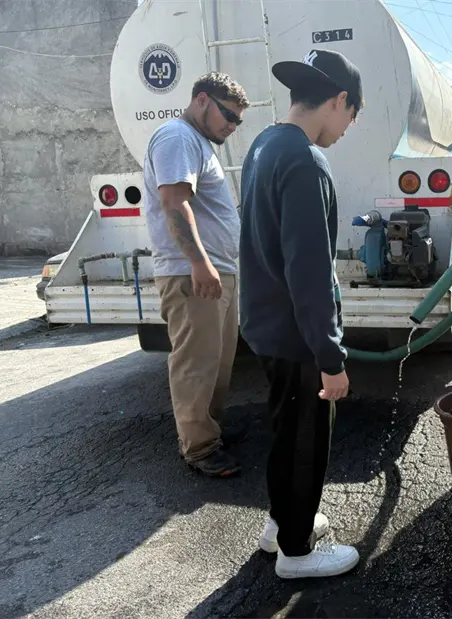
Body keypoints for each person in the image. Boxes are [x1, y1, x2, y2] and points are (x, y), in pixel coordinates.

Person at [239, 49, 364, 579]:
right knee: (306, 439)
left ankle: (279, 524)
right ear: (338, 101)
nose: (344, 131)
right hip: (297, 333)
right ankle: (297, 551)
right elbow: (309, 270)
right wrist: (330, 357)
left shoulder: (264, 144)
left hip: (265, 325)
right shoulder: (306, 160)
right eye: (350, 118)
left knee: (286, 430)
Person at [143, 72, 249, 477]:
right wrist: (199, 263)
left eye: (238, 120)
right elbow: (173, 201)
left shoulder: (199, 142)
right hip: (192, 274)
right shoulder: (177, 137)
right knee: (197, 362)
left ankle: (209, 431)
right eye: (228, 115)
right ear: (201, 100)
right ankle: (199, 447)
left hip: (215, 270)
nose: (232, 126)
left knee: (218, 360)